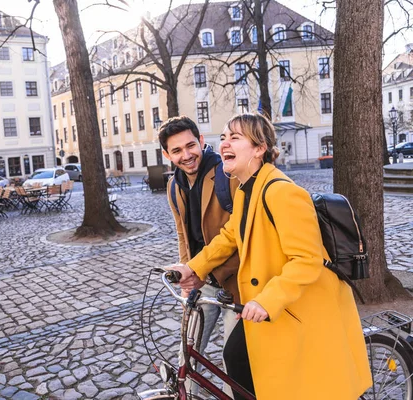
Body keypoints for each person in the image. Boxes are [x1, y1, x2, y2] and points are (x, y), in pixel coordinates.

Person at [170, 113, 371, 400]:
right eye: (224, 137)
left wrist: (267, 300)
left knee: (280, 375)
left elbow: (307, 259)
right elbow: (230, 236)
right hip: (270, 302)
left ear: (259, 148)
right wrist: (193, 268)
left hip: (297, 304)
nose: (224, 142)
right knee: (237, 357)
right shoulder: (246, 189)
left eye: (235, 137)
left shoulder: (282, 192)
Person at [159, 116, 240, 390]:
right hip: (202, 283)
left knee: (233, 362)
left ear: (202, 141)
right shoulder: (174, 186)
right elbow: (184, 235)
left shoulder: (227, 175)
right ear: (167, 155)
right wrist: (186, 278)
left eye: (190, 145)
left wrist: (197, 268)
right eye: (177, 150)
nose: (186, 155)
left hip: (236, 284)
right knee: (187, 355)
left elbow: (238, 233)